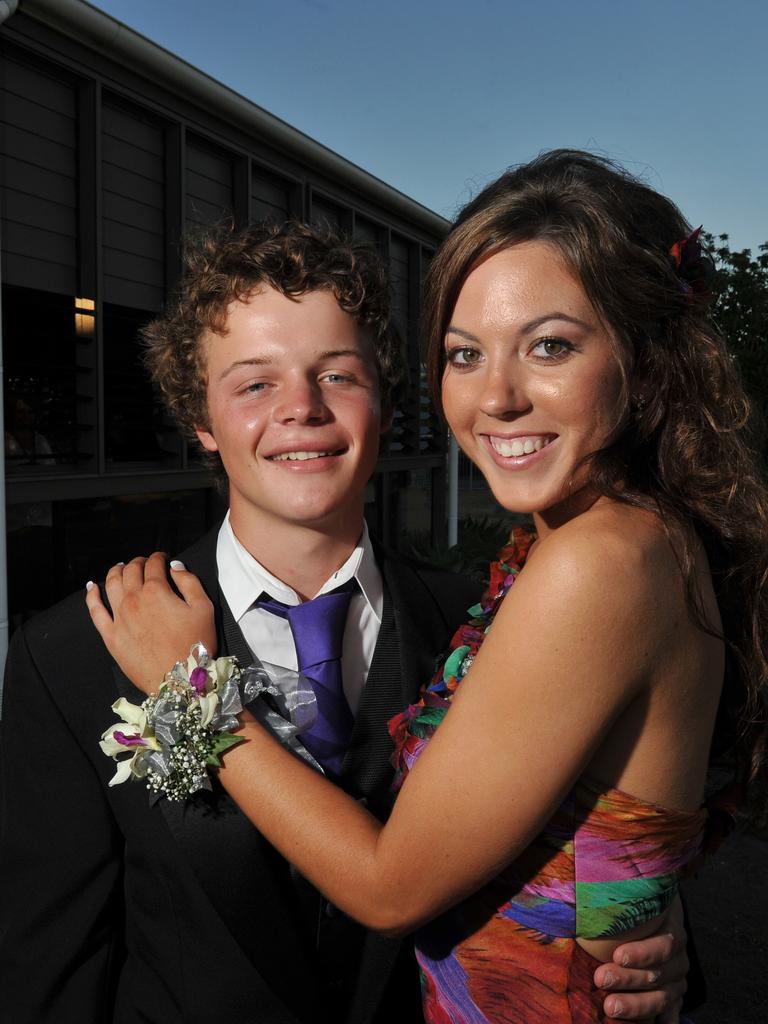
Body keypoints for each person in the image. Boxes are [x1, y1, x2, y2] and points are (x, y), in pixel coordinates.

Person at [85, 154, 768, 1020]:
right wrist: (634, 935)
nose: (498, 397)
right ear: (200, 418)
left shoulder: (600, 561)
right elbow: (613, 842)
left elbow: (390, 888)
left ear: (645, 355)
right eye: (466, 354)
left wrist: (188, 701)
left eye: (550, 345)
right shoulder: (592, 550)